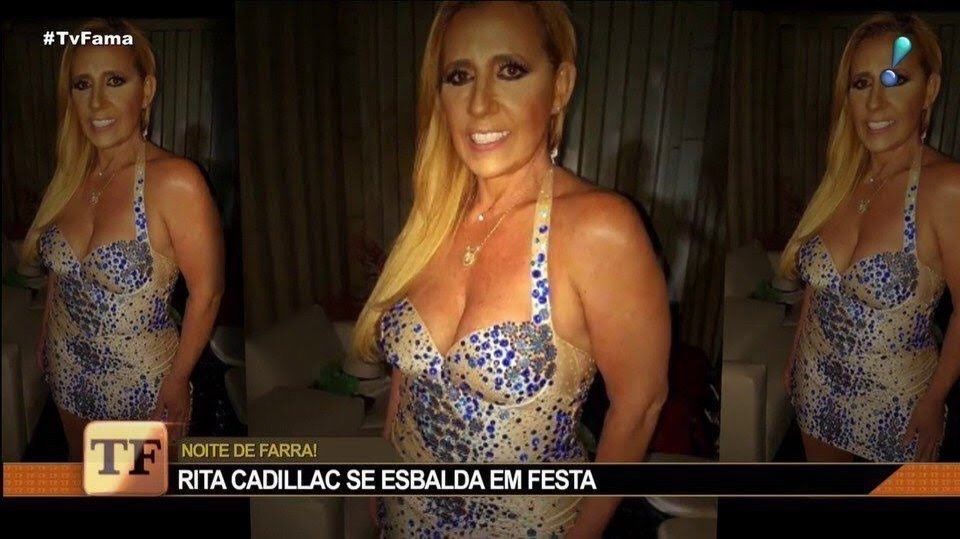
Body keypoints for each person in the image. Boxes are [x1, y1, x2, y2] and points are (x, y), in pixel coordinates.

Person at [351, 2, 670, 536]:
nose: (479, 104)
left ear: (560, 87)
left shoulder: (600, 228)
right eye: (459, 77)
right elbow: (408, 379)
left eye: (510, 70)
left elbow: (639, 407)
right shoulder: (433, 219)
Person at [22, 19, 224, 460]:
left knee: (134, 486)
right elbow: (61, 271)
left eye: (115, 80)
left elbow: (207, 294)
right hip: (65, 364)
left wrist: (178, 379)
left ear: (146, 90)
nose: (97, 101)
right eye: (82, 84)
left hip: (141, 386)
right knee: (83, 474)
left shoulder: (177, 181)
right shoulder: (70, 178)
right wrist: (44, 332)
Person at [781, 12, 960, 462]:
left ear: (929, 90)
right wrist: (794, 356)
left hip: (902, 411)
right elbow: (817, 288)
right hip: (815, 388)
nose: (875, 104)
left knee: (928, 493)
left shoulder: (947, 187)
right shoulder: (842, 180)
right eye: (861, 84)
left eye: (894, 80)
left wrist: (936, 398)